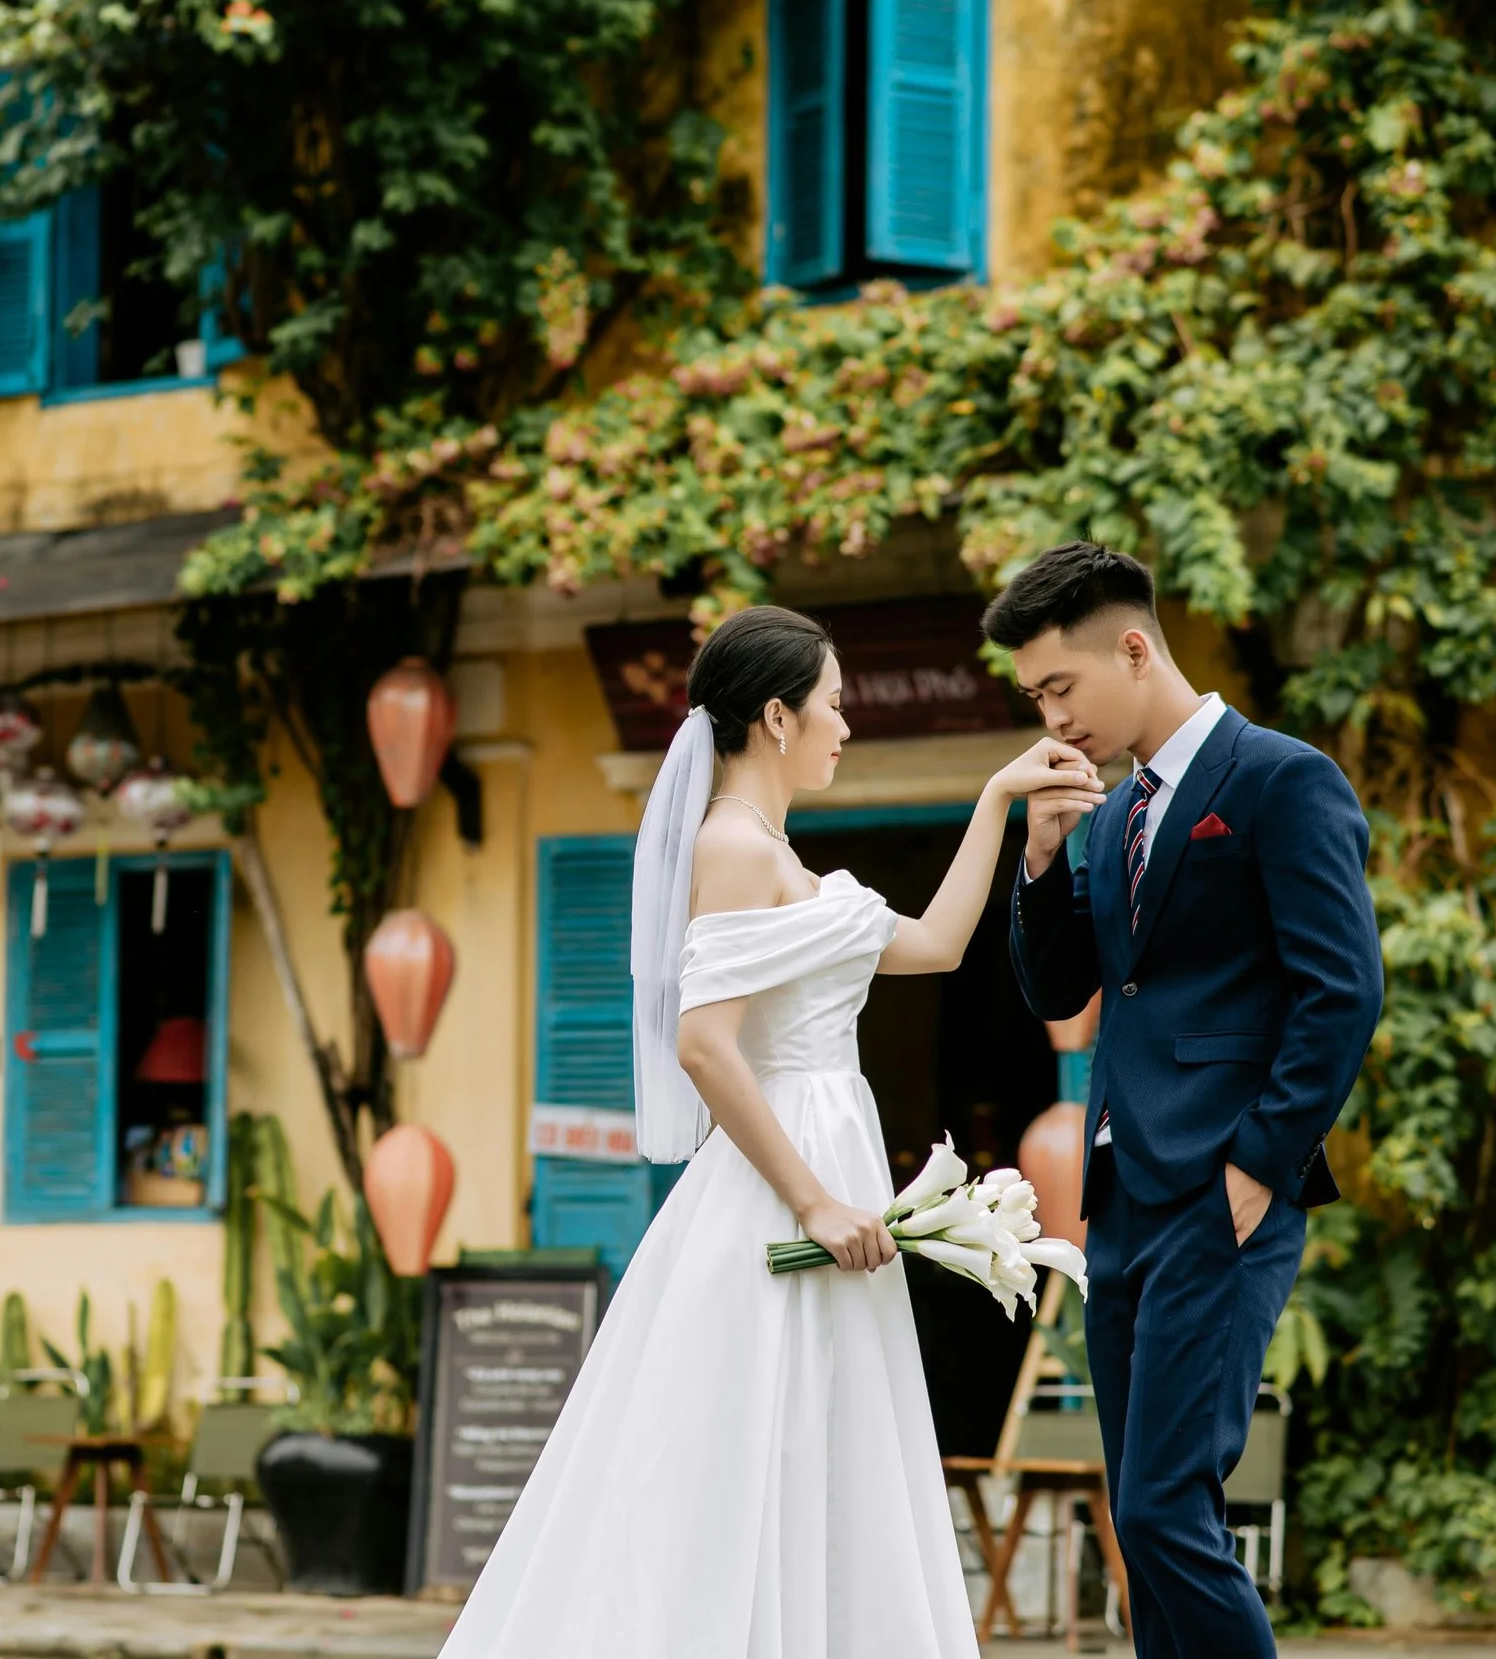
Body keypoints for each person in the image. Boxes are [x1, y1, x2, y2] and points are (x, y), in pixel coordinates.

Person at [442, 604, 1104, 1659]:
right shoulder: (733, 847)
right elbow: (704, 1044)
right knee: (748, 1438)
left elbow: (933, 945)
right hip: (784, 1176)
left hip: (831, 1143)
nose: (846, 727)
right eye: (833, 706)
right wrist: (811, 1198)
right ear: (777, 715)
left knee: (823, 1440)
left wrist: (999, 802)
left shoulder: (777, 852)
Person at [993, 543, 1382, 1659]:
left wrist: (1259, 1161)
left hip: (1223, 1188)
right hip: (1121, 1201)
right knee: (1143, 1516)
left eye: (1060, 687)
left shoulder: (1278, 778)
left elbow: (1341, 988)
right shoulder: (1109, 818)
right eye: (1035, 698)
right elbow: (1061, 987)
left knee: (1166, 1508)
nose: (1052, 718)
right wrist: (1041, 853)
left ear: (1133, 647)